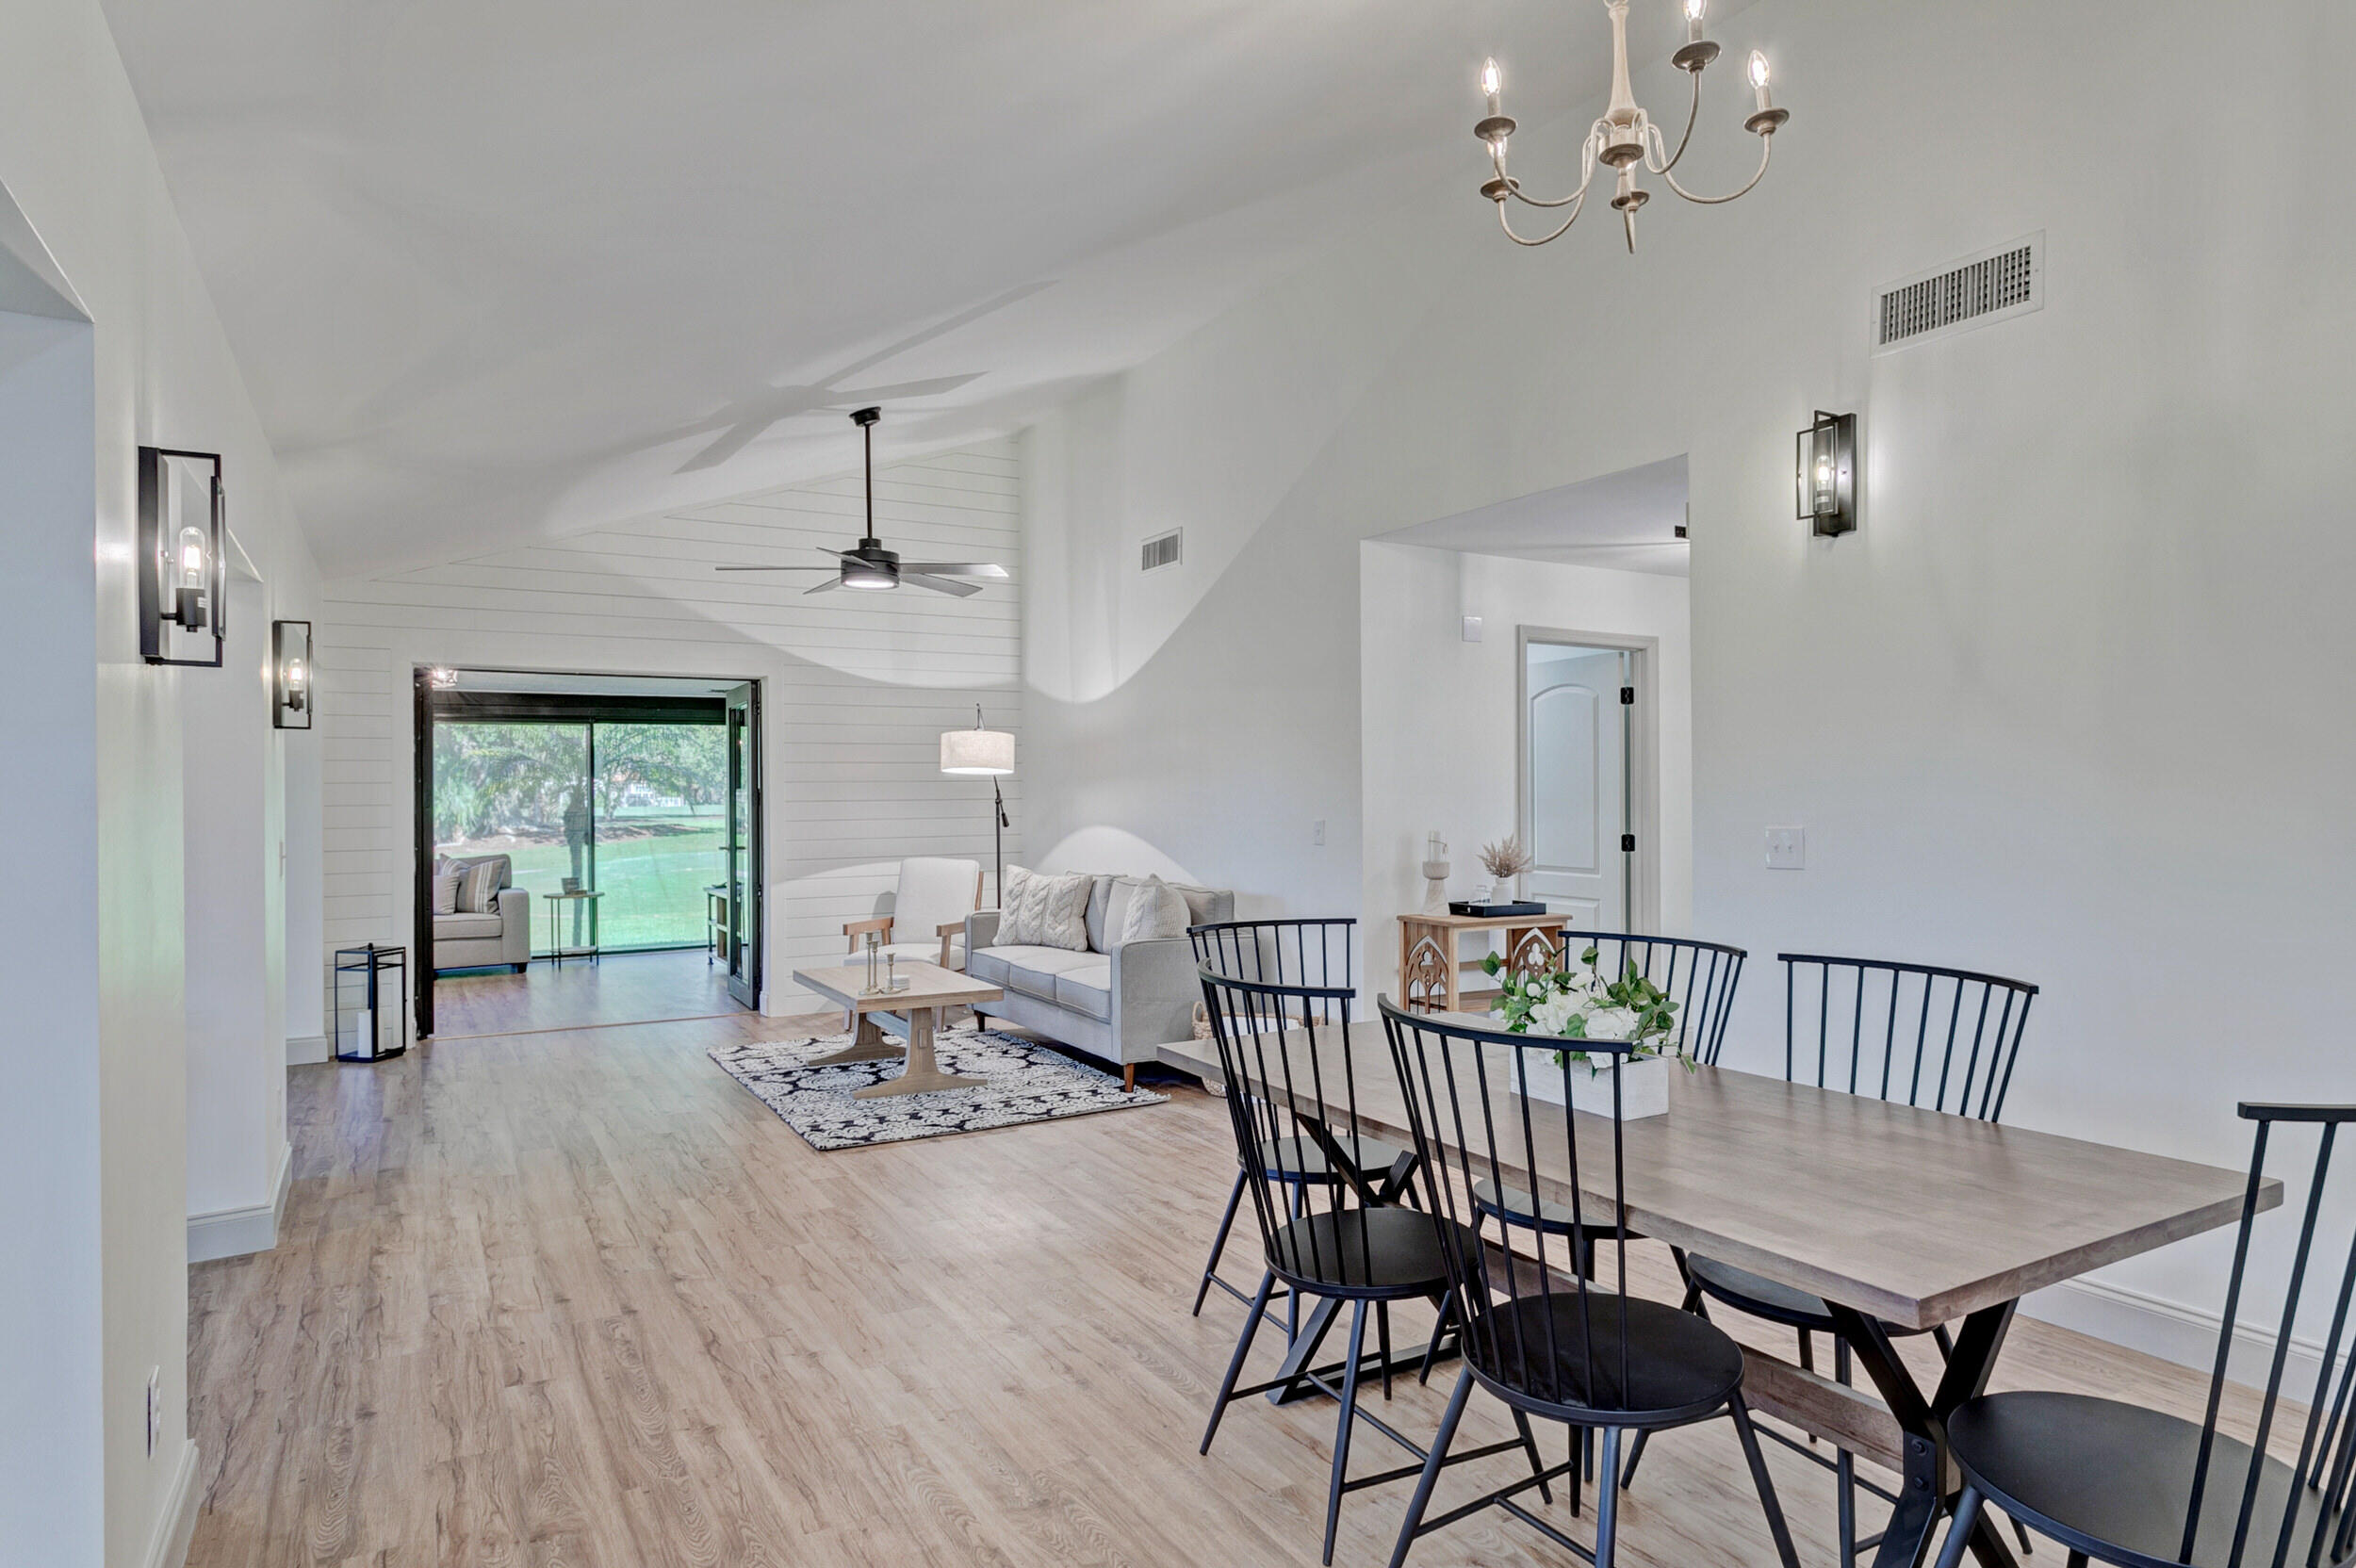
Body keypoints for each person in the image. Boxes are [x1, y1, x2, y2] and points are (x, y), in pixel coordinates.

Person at [561, 787, 592, 947]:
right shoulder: (577, 811)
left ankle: (577, 943)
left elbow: (567, 821)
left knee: (577, 866)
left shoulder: (575, 811)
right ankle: (576, 943)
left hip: (577, 842)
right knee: (577, 866)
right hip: (576, 843)